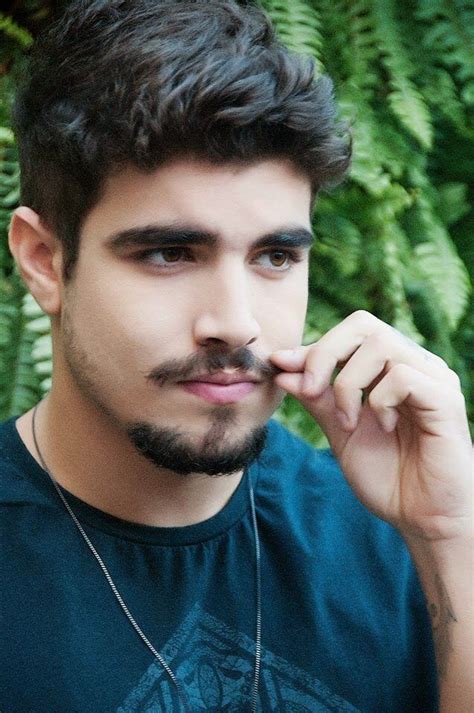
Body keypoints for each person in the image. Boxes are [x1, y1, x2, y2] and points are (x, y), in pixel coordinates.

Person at [1, 1, 472, 711]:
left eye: (276, 255)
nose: (237, 323)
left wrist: (451, 535)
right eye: (169, 253)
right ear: (43, 260)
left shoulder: (403, 536)